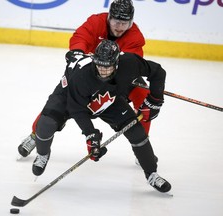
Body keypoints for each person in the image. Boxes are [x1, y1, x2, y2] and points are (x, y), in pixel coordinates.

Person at [29, 39, 171, 193]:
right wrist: (91, 135)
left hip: (105, 97)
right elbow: (76, 109)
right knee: (45, 125)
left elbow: (158, 72)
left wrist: (154, 101)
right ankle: (43, 154)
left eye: (107, 67)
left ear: (117, 63)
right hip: (68, 97)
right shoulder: (82, 76)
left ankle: (152, 173)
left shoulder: (129, 63)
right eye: (99, 65)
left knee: (137, 132)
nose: (102, 71)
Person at [18, 0, 152, 159]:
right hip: (86, 75)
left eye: (125, 23)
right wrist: (77, 52)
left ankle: (141, 142)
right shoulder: (96, 22)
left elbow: (132, 62)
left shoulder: (135, 36)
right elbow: (81, 37)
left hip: (113, 81)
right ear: (109, 17)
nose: (120, 27)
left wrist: (123, 81)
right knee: (62, 98)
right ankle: (36, 134)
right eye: (116, 21)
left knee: (144, 95)